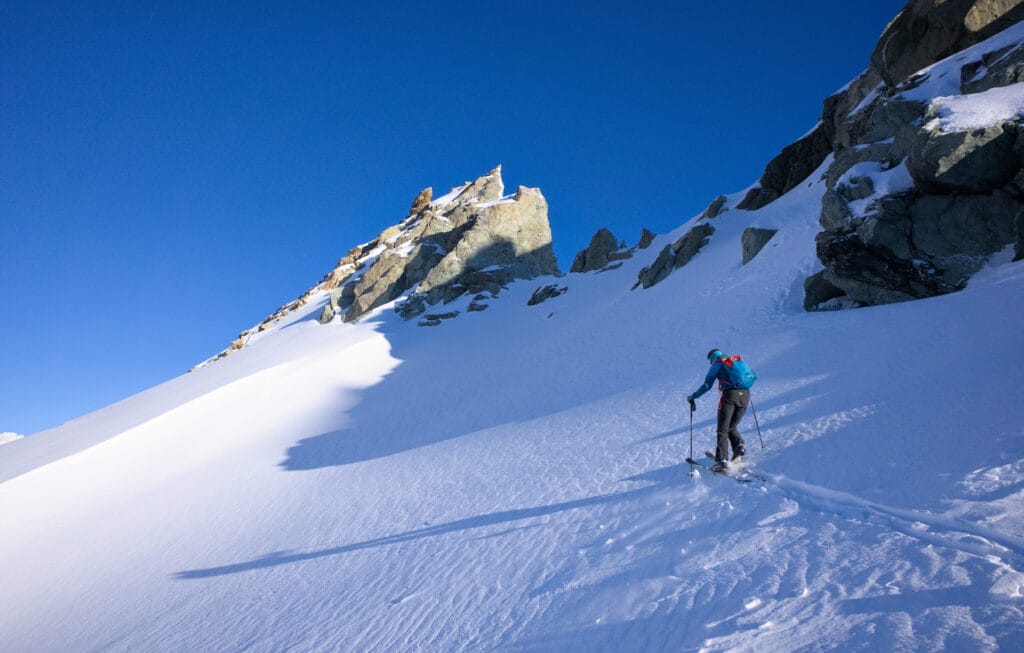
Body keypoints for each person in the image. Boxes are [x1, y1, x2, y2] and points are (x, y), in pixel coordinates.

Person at [687, 348, 748, 472]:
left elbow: (707, 385)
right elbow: (753, 376)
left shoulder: (718, 364)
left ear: (712, 358)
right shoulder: (736, 362)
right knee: (732, 426)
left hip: (730, 396)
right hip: (746, 395)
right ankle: (739, 448)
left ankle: (722, 460)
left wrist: (693, 396)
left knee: (722, 428)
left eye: (710, 361)